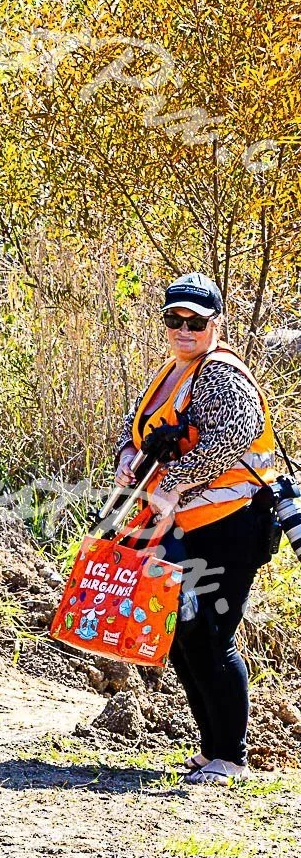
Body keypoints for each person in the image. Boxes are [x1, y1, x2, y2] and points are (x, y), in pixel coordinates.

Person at [114, 272, 282, 787]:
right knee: (184, 633)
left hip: (230, 525)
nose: (184, 329)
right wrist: (126, 455)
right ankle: (212, 749)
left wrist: (173, 485)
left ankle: (230, 756)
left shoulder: (219, 373)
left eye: (196, 321)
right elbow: (139, 424)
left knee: (213, 633)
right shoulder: (176, 367)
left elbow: (234, 438)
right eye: (174, 319)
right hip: (185, 523)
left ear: (216, 322)